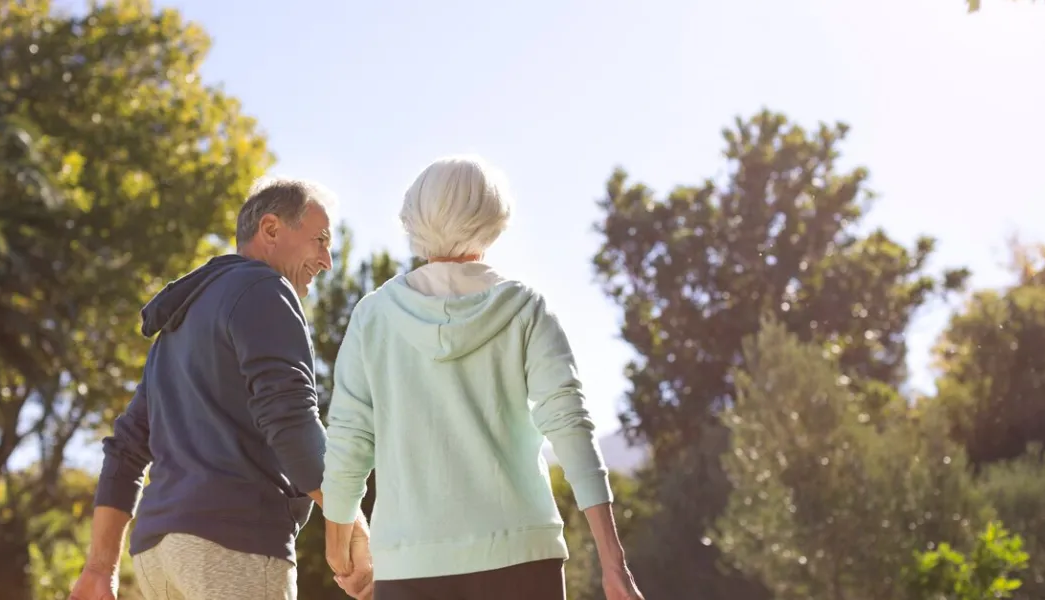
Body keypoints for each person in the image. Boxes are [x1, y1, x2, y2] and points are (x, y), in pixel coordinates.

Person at [319, 156, 644, 600]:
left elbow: (348, 443)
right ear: (494, 218)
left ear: (414, 218)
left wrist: (342, 552)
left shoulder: (372, 317)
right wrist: (613, 563)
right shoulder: (526, 308)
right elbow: (571, 428)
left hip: (411, 563)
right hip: (523, 556)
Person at [68, 178, 373, 600]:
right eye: (319, 240)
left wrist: (99, 568)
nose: (327, 261)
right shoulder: (267, 289)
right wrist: (351, 520)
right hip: (232, 546)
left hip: (158, 558)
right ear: (270, 230)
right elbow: (290, 421)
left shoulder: (177, 326)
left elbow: (126, 448)